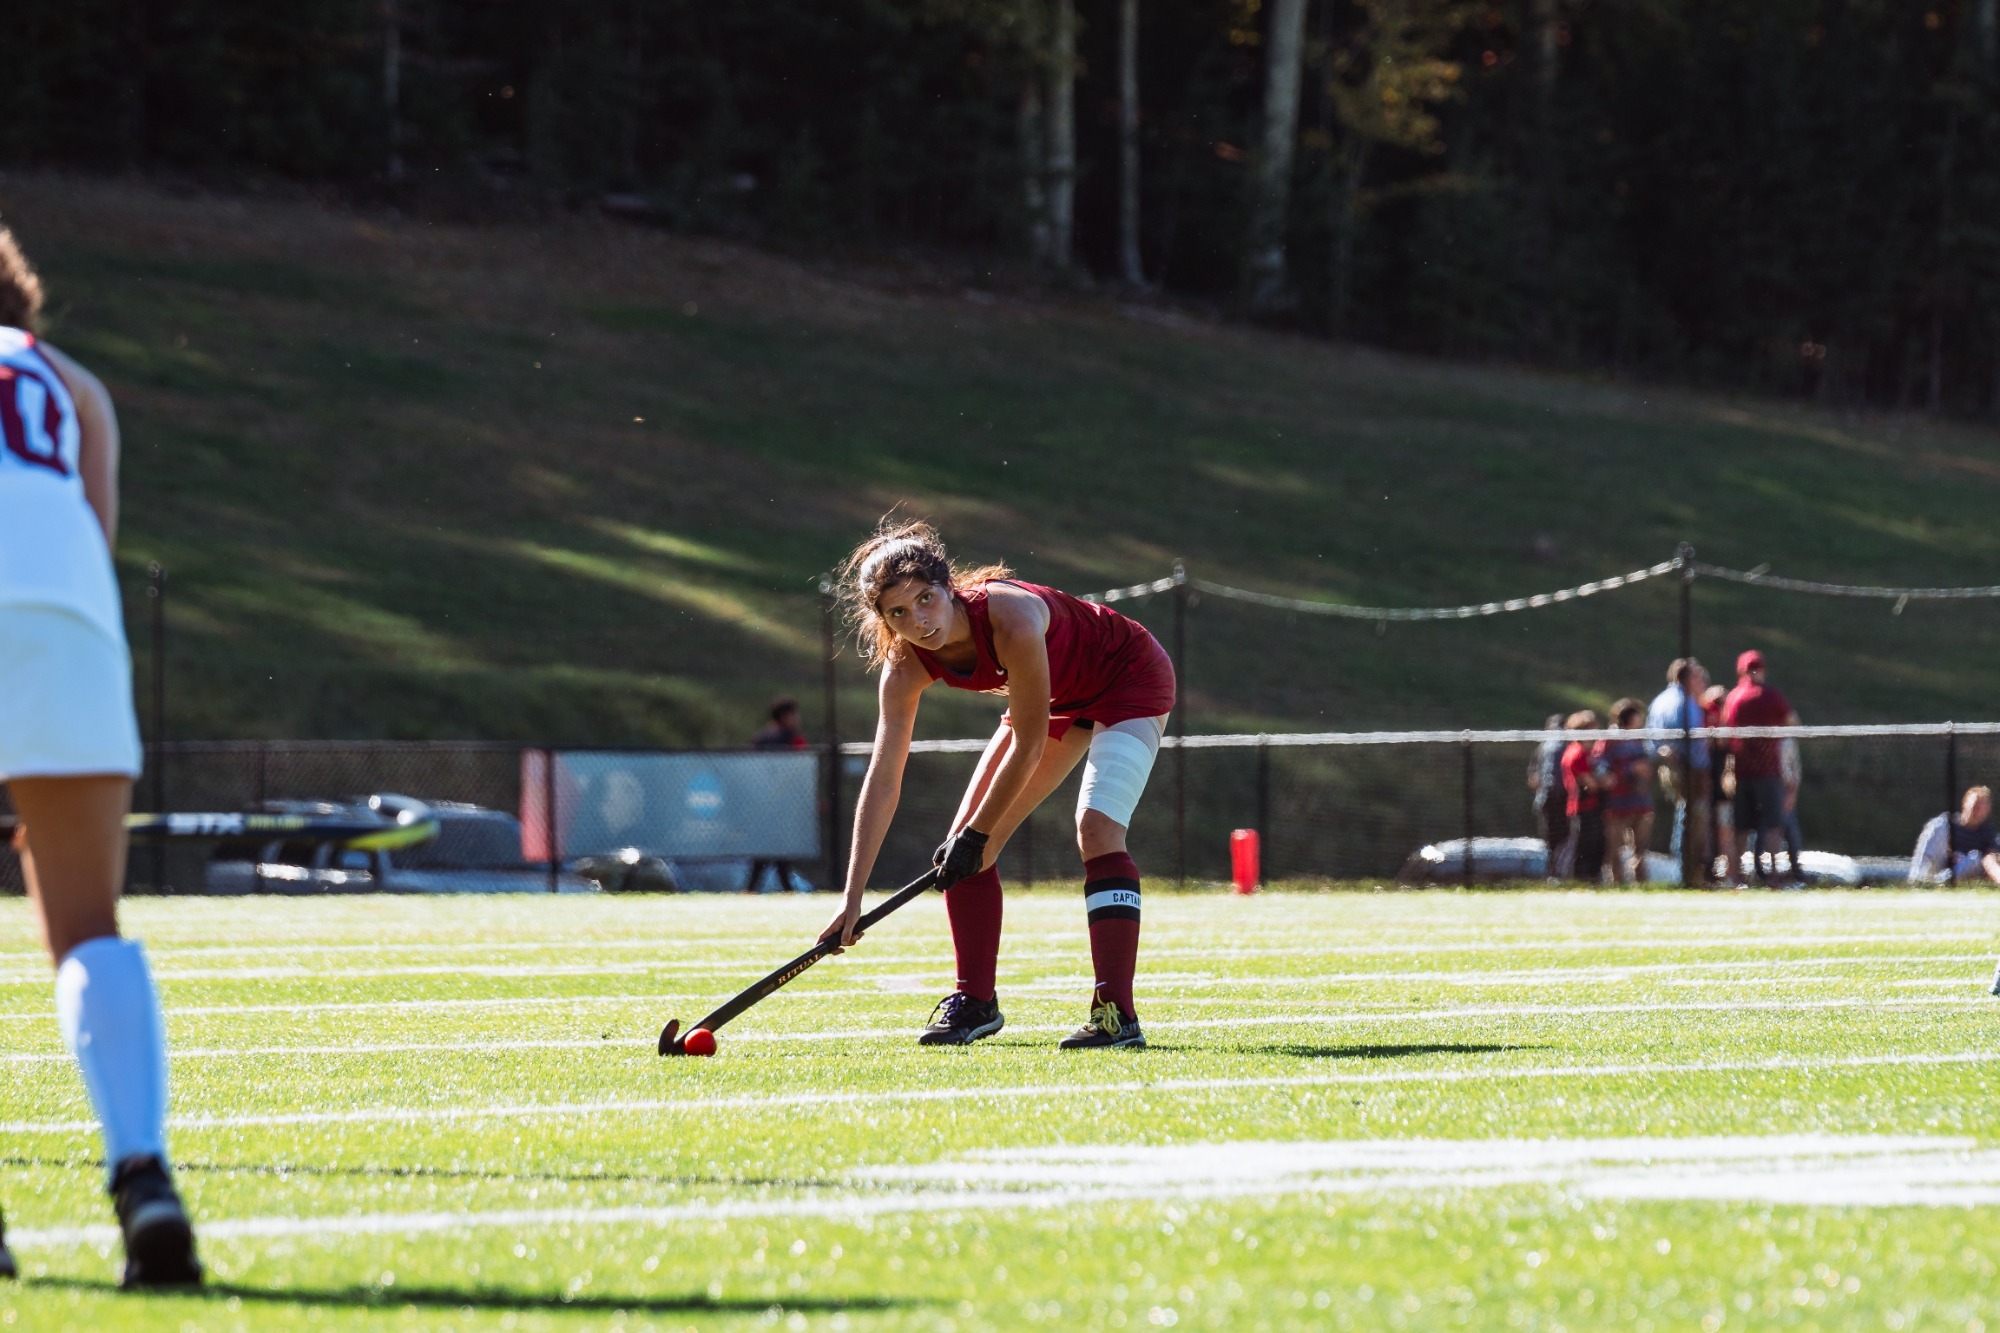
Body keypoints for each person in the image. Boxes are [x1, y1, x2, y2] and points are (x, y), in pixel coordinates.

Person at [0, 228, 200, 1286]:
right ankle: (142, 1177)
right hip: (65, 618)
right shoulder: (71, 384)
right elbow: (94, 542)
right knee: (86, 928)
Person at [819, 522, 1176, 1050]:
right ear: (883, 620)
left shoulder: (1011, 617)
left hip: (1128, 677)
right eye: (898, 613)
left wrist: (976, 836)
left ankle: (1115, 1014)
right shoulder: (904, 665)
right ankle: (976, 1002)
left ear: (949, 587)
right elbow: (884, 775)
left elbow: (1028, 744)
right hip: (1056, 700)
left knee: (1096, 828)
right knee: (964, 847)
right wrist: (852, 899)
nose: (919, 621)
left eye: (925, 599)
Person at [1721, 650, 1793, 887]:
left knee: (1740, 827)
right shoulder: (1772, 696)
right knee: (1773, 825)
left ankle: (1738, 875)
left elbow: (1725, 729)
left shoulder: (1733, 697)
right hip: (1769, 771)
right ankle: (1772, 874)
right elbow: (1791, 722)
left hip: (1741, 772)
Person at [1647, 658, 1711, 884]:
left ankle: (1683, 871)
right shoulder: (1684, 703)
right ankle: (1686, 873)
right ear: (1687, 677)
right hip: (1689, 771)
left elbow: (1652, 740)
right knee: (1690, 820)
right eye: (1697, 676)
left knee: (1683, 814)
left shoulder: (1659, 700)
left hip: (1670, 768)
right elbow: (1695, 744)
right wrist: (1702, 773)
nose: (1702, 680)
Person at [745, 698, 810, 893]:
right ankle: (782, 887)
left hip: (761, 801)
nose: (798, 718)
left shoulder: (759, 739)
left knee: (767, 842)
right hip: (786, 802)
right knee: (779, 843)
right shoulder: (793, 739)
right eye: (795, 714)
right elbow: (802, 770)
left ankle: (756, 888)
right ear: (786, 716)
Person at [1595, 699, 1654, 884]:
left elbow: (1648, 763)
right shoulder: (1610, 740)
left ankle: (1641, 881)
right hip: (1617, 802)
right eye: (1638, 716)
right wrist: (1627, 771)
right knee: (1614, 846)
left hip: (1640, 801)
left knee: (1641, 846)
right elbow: (1599, 766)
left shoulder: (1641, 739)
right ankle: (1616, 882)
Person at [1910, 785, 2000, 885]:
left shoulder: (1987, 833)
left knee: (1975, 859)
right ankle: (1918, 878)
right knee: (1940, 825)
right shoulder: (1947, 825)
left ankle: (1940, 882)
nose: (1978, 812)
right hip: (1938, 866)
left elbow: (1990, 859)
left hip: (1960, 872)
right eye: (1975, 806)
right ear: (1965, 804)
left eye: (1982, 808)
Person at [1559, 710, 1606, 884]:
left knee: (1595, 844)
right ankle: (1575, 878)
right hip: (1582, 807)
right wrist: (1604, 782)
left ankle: (1591, 878)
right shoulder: (1577, 753)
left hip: (1592, 806)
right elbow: (1591, 783)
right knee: (1582, 845)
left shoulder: (1590, 753)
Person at [1527, 713, 1569, 881]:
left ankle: (1554, 873)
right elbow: (1533, 777)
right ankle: (1558, 873)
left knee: (1551, 838)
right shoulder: (1560, 745)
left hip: (1547, 799)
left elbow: (1532, 778)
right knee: (1562, 837)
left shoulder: (1542, 747)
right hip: (1559, 799)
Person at [1702, 682, 1735, 882]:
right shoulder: (1704, 725)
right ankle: (1707, 870)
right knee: (1707, 828)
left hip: (1723, 789)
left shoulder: (1729, 739)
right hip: (1707, 787)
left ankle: (1729, 872)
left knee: (1725, 827)